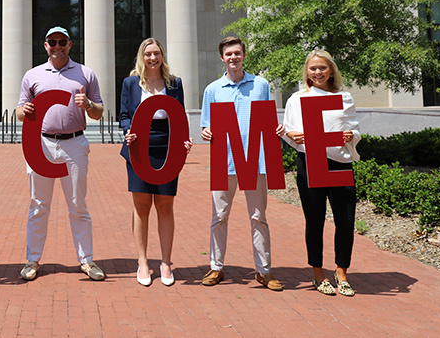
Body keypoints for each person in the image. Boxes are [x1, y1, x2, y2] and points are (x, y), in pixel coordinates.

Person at [17, 26, 106, 281]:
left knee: (78, 205)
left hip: (74, 144)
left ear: (69, 44)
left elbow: (98, 112)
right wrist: (27, 110)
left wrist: (88, 104)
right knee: (38, 205)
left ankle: (87, 261)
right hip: (41, 144)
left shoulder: (85, 73)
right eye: (52, 41)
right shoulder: (32, 75)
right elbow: (19, 112)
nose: (57, 46)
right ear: (45, 45)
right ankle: (32, 260)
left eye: (62, 41)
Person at [199, 36, 285, 291]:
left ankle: (264, 271)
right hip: (224, 160)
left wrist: (276, 129)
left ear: (244, 55)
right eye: (228, 54)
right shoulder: (212, 89)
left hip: (254, 160)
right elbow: (206, 124)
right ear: (222, 58)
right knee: (219, 216)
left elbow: (268, 120)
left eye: (237, 53)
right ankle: (216, 267)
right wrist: (206, 131)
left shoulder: (261, 85)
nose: (233, 58)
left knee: (258, 217)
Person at [282, 50, 360, 296]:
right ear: (307, 72)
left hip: (339, 163)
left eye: (322, 68)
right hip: (311, 162)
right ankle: (317, 271)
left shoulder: (344, 98)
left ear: (331, 70)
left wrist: (351, 137)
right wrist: (292, 136)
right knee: (314, 220)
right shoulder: (297, 99)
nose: (317, 73)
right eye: (313, 68)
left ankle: (341, 270)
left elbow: (354, 130)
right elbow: (288, 131)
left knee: (345, 220)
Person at [119, 38, 192, 286]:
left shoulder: (174, 83)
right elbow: (124, 115)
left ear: (162, 56)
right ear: (142, 57)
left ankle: (165, 262)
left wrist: (185, 140)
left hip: (167, 148)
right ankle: (142, 262)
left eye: (156, 53)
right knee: (141, 207)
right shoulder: (131, 82)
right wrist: (128, 130)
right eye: (148, 54)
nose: (152, 58)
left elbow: (179, 113)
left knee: (165, 206)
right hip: (138, 147)